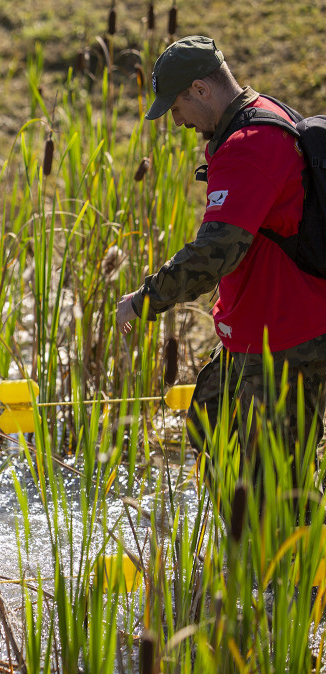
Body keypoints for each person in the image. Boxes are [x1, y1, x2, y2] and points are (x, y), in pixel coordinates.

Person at [116, 36, 326, 494]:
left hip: (285, 344)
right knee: (210, 431)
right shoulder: (254, 121)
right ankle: (233, 559)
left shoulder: (251, 144)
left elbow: (216, 253)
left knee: (278, 492)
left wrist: (144, 300)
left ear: (200, 89)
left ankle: (293, 562)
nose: (177, 121)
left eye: (176, 107)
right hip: (249, 335)